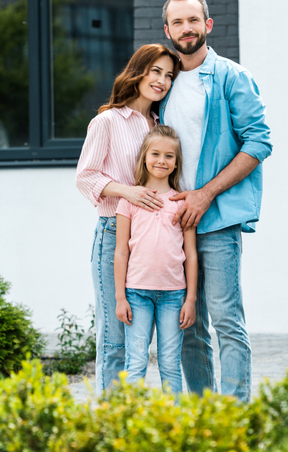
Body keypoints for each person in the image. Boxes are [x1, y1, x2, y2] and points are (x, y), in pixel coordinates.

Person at [160, 0, 273, 401]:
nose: (186, 29)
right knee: (186, 324)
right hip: (175, 225)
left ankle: (236, 416)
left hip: (217, 220)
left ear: (207, 25)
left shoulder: (230, 76)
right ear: (167, 30)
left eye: (193, 20)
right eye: (178, 22)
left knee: (227, 321)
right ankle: (208, 415)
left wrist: (205, 194)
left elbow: (258, 142)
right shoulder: (164, 83)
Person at [76, 44, 180, 395]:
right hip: (113, 236)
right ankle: (111, 422)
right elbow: (85, 177)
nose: (162, 81)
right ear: (138, 71)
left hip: (156, 241)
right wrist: (127, 191)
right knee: (115, 338)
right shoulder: (106, 121)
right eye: (156, 71)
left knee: (150, 348)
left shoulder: (159, 125)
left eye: (168, 75)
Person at [114, 125, 197, 394]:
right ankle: (129, 423)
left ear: (176, 163)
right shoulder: (129, 200)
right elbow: (121, 251)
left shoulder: (182, 202)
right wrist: (120, 298)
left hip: (174, 295)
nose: (162, 161)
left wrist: (191, 299)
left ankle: (172, 426)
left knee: (170, 363)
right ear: (145, 157)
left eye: (169, 156)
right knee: (136, 362)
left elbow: (191, 255)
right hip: (136, 293)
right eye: (156, 154)